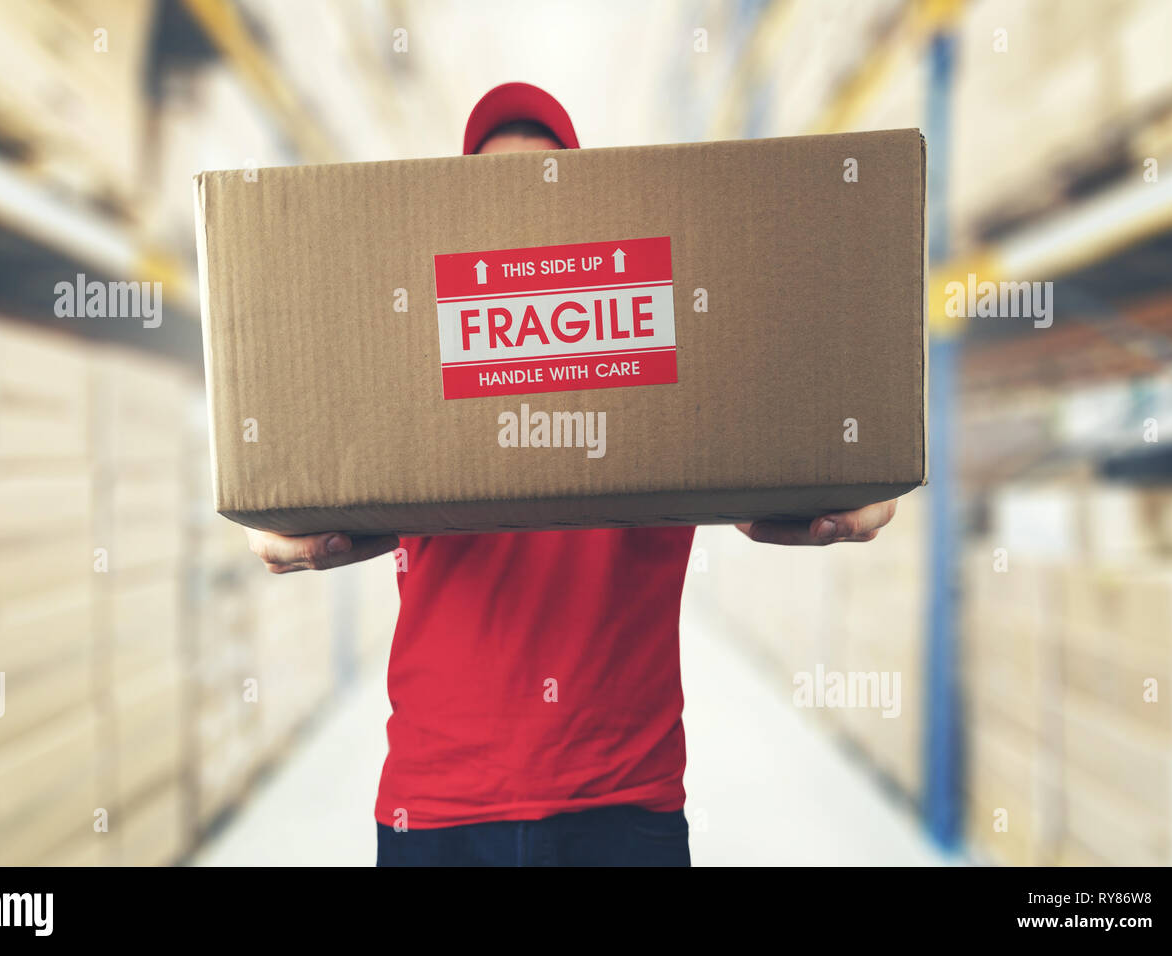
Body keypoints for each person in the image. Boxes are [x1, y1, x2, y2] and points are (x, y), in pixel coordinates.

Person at [245, 82, 898, 867]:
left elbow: (806, 405)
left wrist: (860, 476)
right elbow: (299, 453)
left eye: (545, 183)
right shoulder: (412, 351)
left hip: (623, 800)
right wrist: (281, 527)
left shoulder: (671, 343)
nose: (521, 207)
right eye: (489, 188)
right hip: (439, 800)